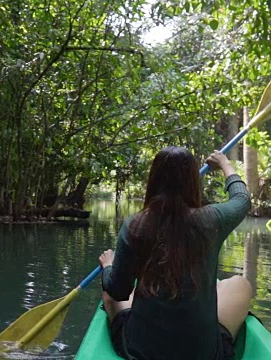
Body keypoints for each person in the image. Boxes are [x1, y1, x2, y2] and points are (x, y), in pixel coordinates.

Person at [99, 146, 252, 360]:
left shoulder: (135, 225)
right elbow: (242, 200)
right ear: (193, 182)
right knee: (240, 284)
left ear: (153, 180)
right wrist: (225, 164)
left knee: (108, 291)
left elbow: (118, 291)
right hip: (203, 355)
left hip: (141, 352)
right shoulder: (212, 220)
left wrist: (107, 266)